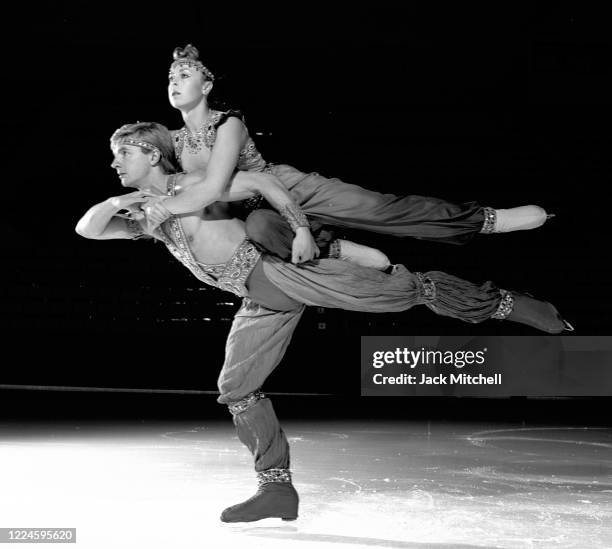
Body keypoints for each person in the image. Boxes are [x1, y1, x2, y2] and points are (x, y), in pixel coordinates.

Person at [76, 123, 572, 523]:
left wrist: (299, 231)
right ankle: (276, 490)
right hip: (256, 299)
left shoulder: (201, 188)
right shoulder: (146, 213)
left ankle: (510, 304)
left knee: (402, 294)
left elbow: (262, 183)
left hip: (278, 275)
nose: (115, 163)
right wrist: (121, 203)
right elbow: (88, 230)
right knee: (236, 387)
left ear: (152, 154)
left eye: (124, 153)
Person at [143, 44, 555, 259]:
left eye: (185, 74)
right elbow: (175, 193)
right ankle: (334, 248)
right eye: (170, 76)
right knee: (260, 233)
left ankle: (484, 219)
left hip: (289, 187)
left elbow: (212, 186)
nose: (175, 82)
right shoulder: (173, 142)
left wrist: (165, 203)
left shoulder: (228, 122)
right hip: (256, 213)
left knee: (379, 210)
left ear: (207, 86)